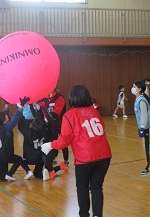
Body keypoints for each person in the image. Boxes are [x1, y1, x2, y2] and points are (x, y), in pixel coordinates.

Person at [41, 84, 112, 217]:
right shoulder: (95, 111)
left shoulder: (69, 115)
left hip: (85, 158)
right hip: (104, 156)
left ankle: (84, 214)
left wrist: (50, 145)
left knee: (82, 187)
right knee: (96, 187)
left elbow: (64, 141)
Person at [0, 97, 32, 183]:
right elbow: (15, 118)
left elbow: (5, 115)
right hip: (6, 156)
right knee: (19, 159)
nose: (7, 116)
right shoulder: (7, 128)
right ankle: (11, 174)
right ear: (4, 120)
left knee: (3, 176)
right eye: (6, 116)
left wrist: (6, 105)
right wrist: (22, 105)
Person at [132, 80, 150, 175]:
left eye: (134, 87)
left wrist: (142, 127)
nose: (133, 88)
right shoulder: (139, 99)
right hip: (148, 125)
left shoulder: (141, 100)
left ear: (139, 89)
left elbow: (144, 115)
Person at [18, 105, 46, 180]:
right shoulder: (44, 130)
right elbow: (41, 120)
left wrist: (20, 109)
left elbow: (20, 124)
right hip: (40, 158)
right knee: (37, 173)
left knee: (18, 159)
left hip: (28, 158)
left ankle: (27, 171)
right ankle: (46, 173)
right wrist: (39, 110)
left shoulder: (28, 132)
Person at [47, 89, 69, 167]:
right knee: (52, 141)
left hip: (60, 124)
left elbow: (56, 112)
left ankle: (66, 160)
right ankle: (52, 158)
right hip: (51, 125)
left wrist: (47, 115)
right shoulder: (46, 97)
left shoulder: (59, 98)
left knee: (63, 142)